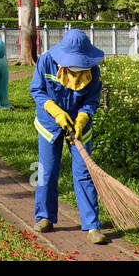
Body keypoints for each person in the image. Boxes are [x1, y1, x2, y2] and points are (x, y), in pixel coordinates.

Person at [29, 28, 108, 244]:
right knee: (46, 171)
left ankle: (92, 226)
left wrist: (82, 118)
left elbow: (92, 100)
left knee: (84, 173)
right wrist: (55, 111)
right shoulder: (45, 61)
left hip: (79, 126)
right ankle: (45, 217)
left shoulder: (94, 70)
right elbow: (36, 90)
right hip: (49, 122)